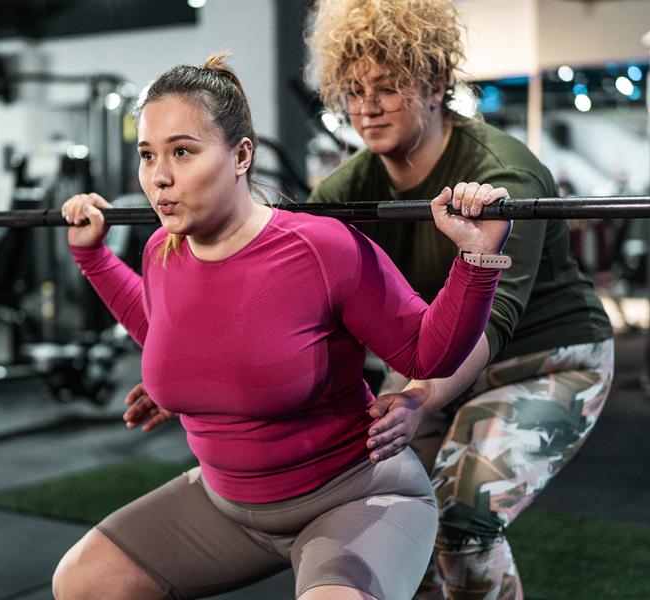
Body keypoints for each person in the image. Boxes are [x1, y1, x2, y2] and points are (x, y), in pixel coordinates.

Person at [51, 52, 512, 600]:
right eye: (147, 155)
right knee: (82, 582)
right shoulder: (161, 249)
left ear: (242, 155)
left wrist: (476, 260)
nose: (160, 177)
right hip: (225, 507)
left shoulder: (322, 247)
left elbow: (425, 355)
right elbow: (162, 331)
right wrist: (93, 257)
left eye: (182, 151)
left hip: (353, 496)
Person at [303, 1, 615, 598]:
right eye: (355, 91)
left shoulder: (502, 174)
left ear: (434, 85)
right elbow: (290, 289)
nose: (367, 108)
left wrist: (418, 398)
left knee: (461, 515)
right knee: (388, 519)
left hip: (546, 360)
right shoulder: (345, 189)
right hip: (435, 361)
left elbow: (492, 321)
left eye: (387, 88)